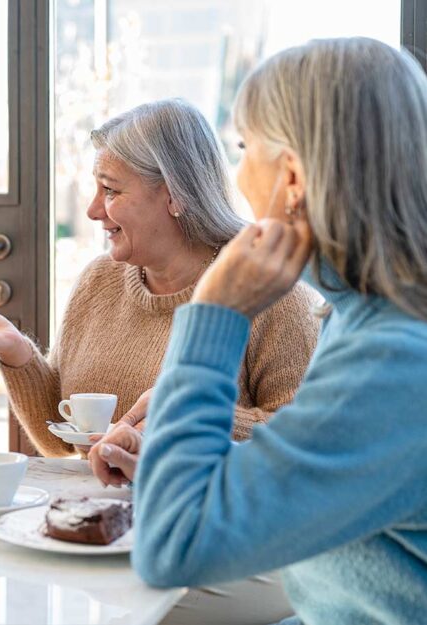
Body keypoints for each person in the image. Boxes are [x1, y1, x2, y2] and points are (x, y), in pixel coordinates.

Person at [91, 38, 427, 624]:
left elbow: (172, 548)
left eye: (245, 147)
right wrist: (184, 462)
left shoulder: (392, 360)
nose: (236, 172)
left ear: (292, 176)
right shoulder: (363, 316)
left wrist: (215, 315)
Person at [0, 99, 319, 457]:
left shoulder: (273, 295)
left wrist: (183, 416)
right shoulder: (100, 280)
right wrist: (16, 351)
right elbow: (61, 441)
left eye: (110, 190)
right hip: (93, 521)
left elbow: (304, 442)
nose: (92, 210)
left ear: (175, 194)